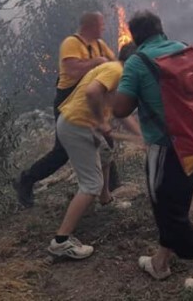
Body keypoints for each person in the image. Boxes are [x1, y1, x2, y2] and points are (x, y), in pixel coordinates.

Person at [113, 10, 193, 289]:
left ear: (134, 37)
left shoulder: (137, 62)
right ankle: (160, 262)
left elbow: (121, 108)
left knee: (166, 209)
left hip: (167, 146)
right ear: (161, 28)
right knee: (176, 202)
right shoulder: (184, 50)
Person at [15, 11, 117, 208]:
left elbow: (112, 65)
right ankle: (26, 180)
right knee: (62, 152)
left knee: (106, 141)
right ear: (90, 26)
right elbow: (72, 70)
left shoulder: (100, 45)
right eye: (101, 24)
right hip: (67, 102)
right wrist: (96, 63)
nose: (104, 28)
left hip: (87, 100)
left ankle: (110, 189)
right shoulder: (72, 44)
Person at [48, 42, 139, 259]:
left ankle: (105, 200)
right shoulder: (116, 70)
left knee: (106, 153)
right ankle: (61, 241)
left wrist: (140, 136)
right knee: (91, 184)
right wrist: (100, 120)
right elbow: (91, 91)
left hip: (79, 124)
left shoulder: (118, 73)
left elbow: (120, 112)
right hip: (77, 126)